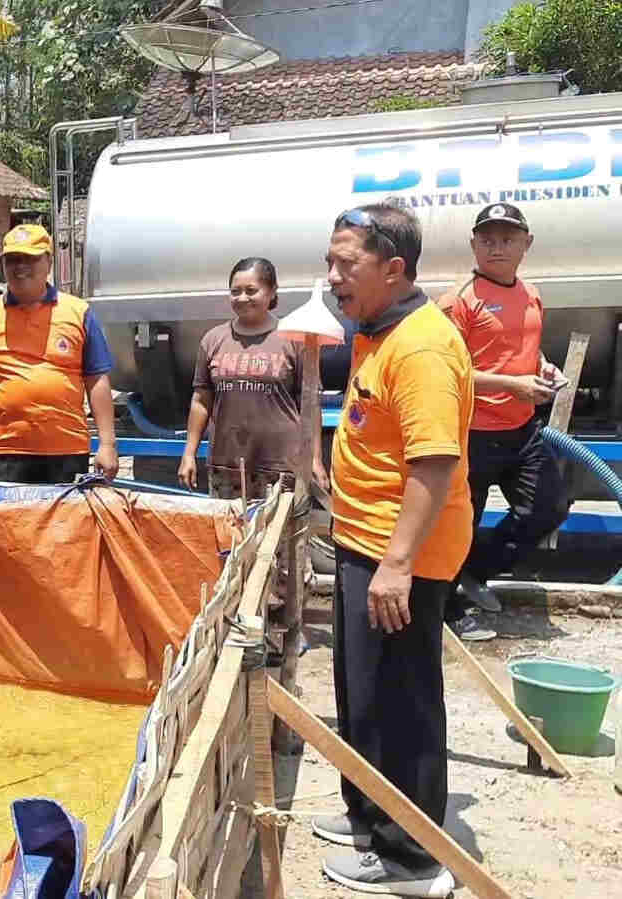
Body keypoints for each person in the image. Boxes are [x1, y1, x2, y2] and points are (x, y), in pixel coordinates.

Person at [312, 204, 472, 898]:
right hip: (365, 543)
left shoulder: (421, 347)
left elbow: (433, 463)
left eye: (346, 264)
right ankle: (368, 815)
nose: (332, 276)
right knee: (363, 694)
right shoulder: (379, 331)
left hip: (398, 555)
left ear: (394, 268)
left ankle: (411, 858)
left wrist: (398, 564)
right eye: (330, 261)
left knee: (401, 703)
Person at [435, 203, 569, 642]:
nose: (497, 248)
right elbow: (444, 371)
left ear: (526, 244)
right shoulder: (458, 301)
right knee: (458, 525)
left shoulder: (531, 294)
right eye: (487, 239)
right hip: (471, 433)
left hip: (522, 430)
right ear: (473, 244)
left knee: (549, 508)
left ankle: (475, 570)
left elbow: (523, 348)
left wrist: (543, 367)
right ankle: (449, 610)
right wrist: (513, 384)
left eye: (508, 239)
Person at [0, 225, 117, 484]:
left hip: (67, 452)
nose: (20, 267)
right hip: (7, 453)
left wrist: (107, 444)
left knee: (65, 514)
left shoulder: (79, 313)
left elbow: (97, 380)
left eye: (30, 258)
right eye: (13, 259)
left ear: (48, 261)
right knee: (7, 514)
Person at [178, 257, 328, 498]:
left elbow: (309, 404)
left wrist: (315, 459)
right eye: (235, 291)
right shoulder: (213, 340)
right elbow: (201, 400)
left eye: (251, 290)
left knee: (279, 525)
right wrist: (189, 453)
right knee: (228, 524)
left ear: (272, 291)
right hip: (226, 468)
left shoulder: (296, 340)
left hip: (281, 469)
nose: (242, 298)